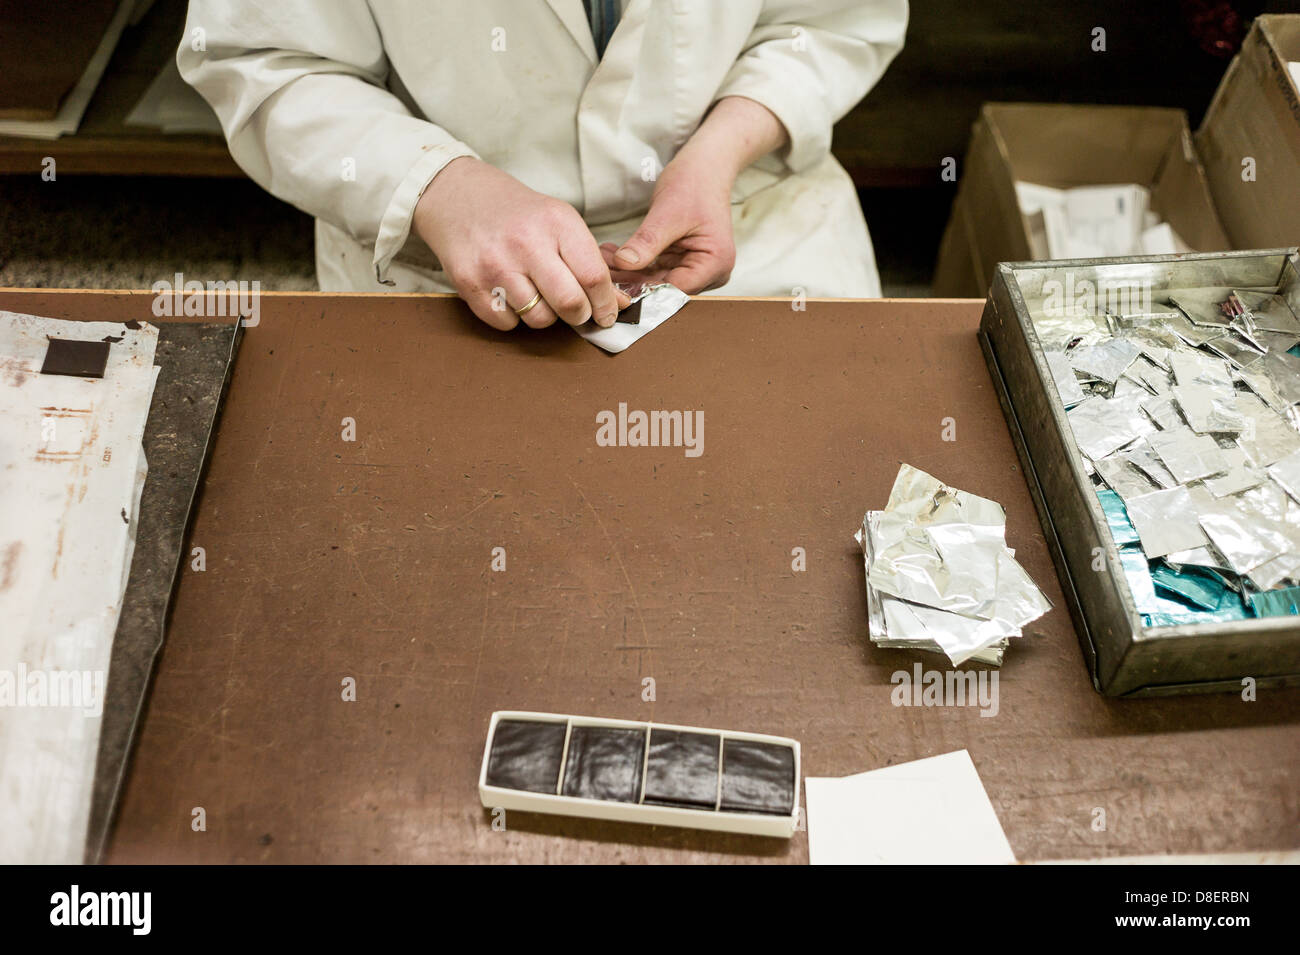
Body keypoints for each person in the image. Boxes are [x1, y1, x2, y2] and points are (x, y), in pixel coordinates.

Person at [179, 1, 907, 331]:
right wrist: (441, 185)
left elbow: (831, 22)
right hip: (437, 251)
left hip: (754, 213)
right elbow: (265, 59)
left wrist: (722, 147)